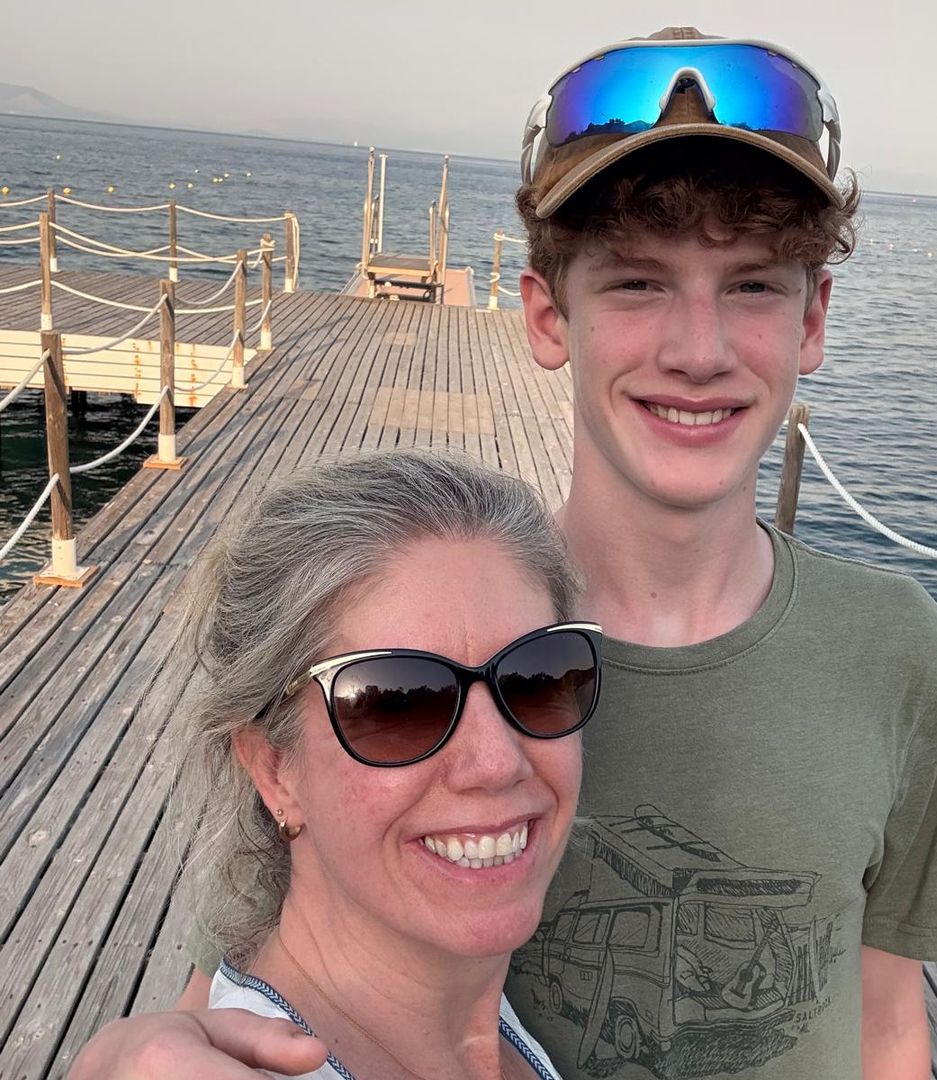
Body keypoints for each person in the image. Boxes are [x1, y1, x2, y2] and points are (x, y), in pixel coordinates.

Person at [70, 26, 937, 1080]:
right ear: (547, 313)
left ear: (814, 319)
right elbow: (247, 1000)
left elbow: (888, 1017)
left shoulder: (903, 655)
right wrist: (134, 1050)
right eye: (637, 282)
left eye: (754, 285)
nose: (698, 349)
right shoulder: (435, 625)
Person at [73, 449, 603, 1080]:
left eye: (534, 678)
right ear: (275, 770)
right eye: (397, 702)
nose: (496, 762)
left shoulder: (477, 1028)